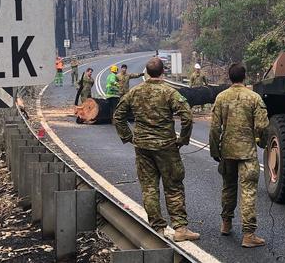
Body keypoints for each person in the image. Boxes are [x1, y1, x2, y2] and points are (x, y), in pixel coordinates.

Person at [113, 57, 200, 242]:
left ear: (146, 72)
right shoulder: (169, 92)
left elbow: (118, 115)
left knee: (149, 188)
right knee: (174, 186)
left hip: (143, 147)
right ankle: (180, 228)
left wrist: (128, 137)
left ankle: (157, 229)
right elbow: (187, 116)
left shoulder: (134, 92)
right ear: (162, 73)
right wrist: (183, 139)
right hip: (166, 146)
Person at [209, 63, 269, 248]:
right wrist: (262, 143)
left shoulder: (221, 97)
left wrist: (215, 151)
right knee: (248, 191)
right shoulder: (254, 98)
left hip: (227, 152)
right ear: (245, 77)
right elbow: (263, 126)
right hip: (247, 153)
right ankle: (249, 234)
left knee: (228, 188)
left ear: (229, 77)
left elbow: (214, 128)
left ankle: (226, 224)